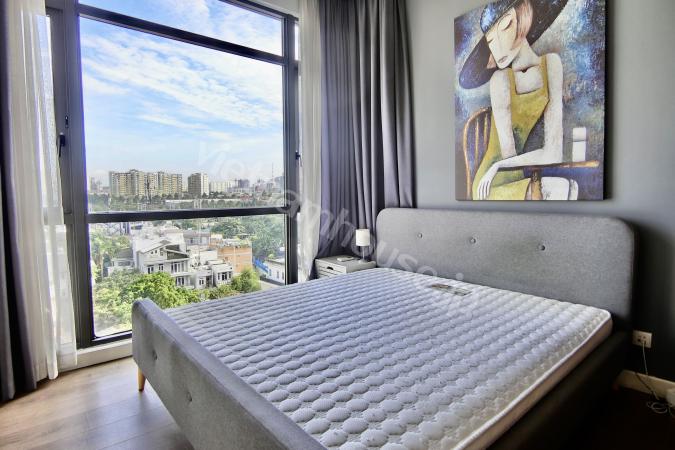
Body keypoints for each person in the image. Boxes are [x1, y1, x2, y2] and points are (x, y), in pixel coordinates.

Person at [459, 0, 577, 200]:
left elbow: (553, 153)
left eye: (505, 26)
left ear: (524, 18)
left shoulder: (551, 65)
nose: (497, 47)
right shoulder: (500, 80)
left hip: (508, 169)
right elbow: (508, 153)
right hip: (490, 181)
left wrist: (500, 165)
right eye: (490, 41)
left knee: (570, 186)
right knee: (561, 188)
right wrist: (496, 166)